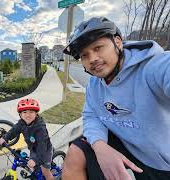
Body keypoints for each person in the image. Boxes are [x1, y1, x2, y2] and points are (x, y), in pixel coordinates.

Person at [61, 16, 170, 180]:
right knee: (75, 152)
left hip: (162, 163)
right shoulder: (94, 84)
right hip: (124, 146)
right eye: (84, 55)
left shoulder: (154, 66)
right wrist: (99, 146)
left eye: (98, 47)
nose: (92, 59)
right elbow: (91, 116)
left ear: (117, 42)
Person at [0, 98, 55, 180]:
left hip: (45, 150)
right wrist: (5, 137)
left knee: (44, 170)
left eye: (31, 112)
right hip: (33, 148)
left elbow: (42, 146)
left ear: (36, 114)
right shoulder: (22, 123)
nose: (28, 115)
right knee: (33, 167)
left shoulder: (40, 128)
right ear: (20, 114)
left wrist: (35, 160)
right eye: (24, 112)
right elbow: (14, 130)